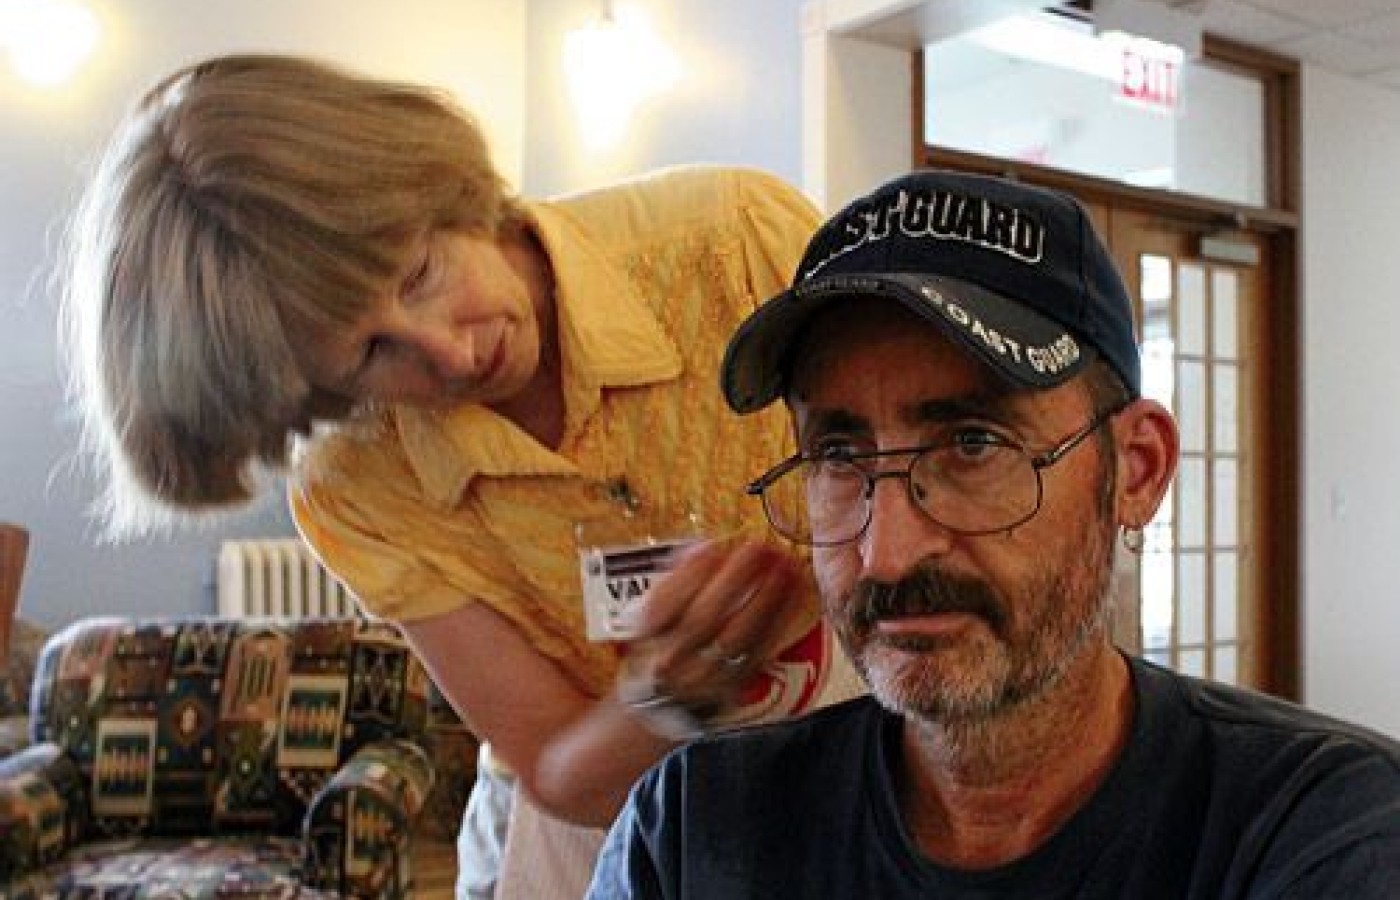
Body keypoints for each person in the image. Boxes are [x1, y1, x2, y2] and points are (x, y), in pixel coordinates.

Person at [61, 54, 862, 900]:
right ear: (314, 393)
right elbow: (561, 768)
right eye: (370, 353)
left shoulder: (731, 244)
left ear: (436, 187)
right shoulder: (356, 485)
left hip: (850, 753)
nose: (450, 349)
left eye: (420, 274)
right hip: (594, 816)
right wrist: (665, 699)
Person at [587, 169, 1400, 899]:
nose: (891, 552)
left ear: (1138, 470)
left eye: (975, 445)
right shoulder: (698, 828)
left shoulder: (1316, 826)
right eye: (840, 456)